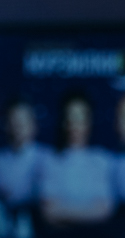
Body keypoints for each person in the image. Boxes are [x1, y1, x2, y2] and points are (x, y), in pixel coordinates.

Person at [38, 91, 115, 225]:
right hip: (57, 237)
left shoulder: (102, 160)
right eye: (70, 117)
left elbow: (104, 210)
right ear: (63, 122)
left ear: (89, 122)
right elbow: (48, 211)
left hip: (97, 236)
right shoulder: (50, 160)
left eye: (80, 118)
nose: (75, 125)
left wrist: (63, 211)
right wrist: (89, 210)